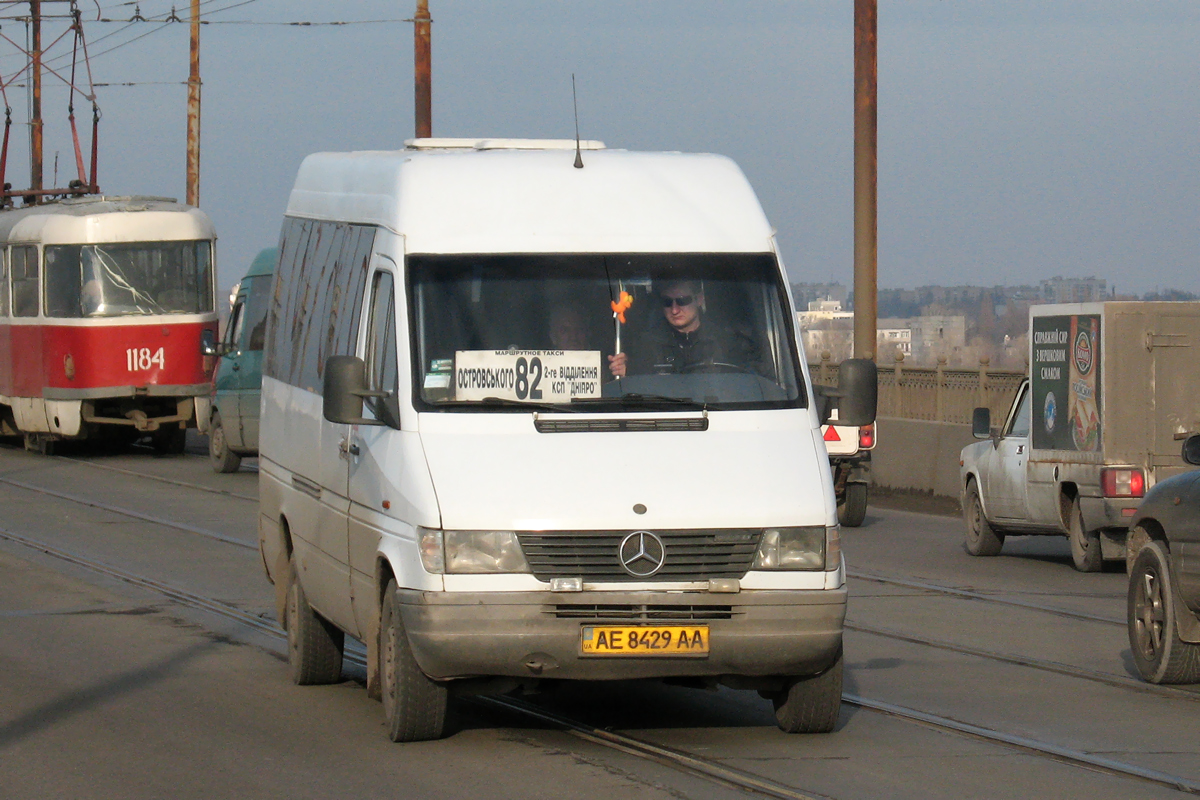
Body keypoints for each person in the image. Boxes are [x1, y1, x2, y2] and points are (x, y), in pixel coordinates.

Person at [607, 279, 763, 378]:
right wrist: (630, 369)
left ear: (699, 299)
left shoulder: (728, 343)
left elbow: (753, 383)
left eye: (683, 301)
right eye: (668, 302)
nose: (674, 310)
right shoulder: (646, 345)